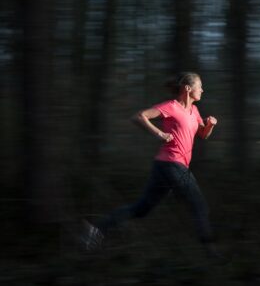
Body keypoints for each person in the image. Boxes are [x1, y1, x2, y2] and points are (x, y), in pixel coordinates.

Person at [82, 72, 222, 259]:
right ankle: (212, 254)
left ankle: (97, 229)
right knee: (200, 206)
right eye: (200, 86)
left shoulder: (194, 111)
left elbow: (203, 135)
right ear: (188, 89)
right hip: (172, 164)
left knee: (141, 209)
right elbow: (139, 116)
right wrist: (159, 134)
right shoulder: (171, 107)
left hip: (163, 167)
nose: (202, 90)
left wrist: (210, 125)